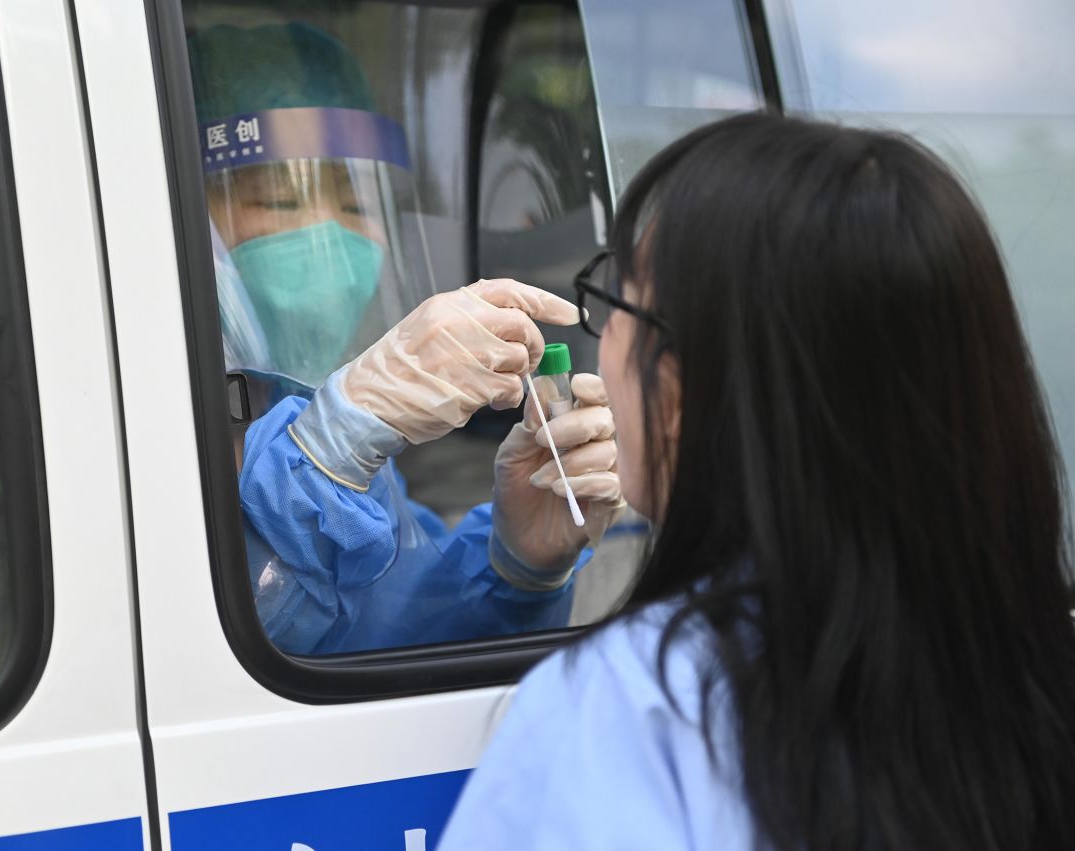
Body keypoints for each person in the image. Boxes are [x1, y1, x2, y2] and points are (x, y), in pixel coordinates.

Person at [438, 112, 1075, 849]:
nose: (598, 339)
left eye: (615, 297)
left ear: (678, 388)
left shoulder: (625, 711)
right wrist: (516, 572)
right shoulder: (1031, 678)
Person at [187, 22, 625, 654]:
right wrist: (321, 458)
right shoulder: (138, 440)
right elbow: (204, 658)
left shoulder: (362, 465)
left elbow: (398, 645)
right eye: (283, 201)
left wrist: (518, 567)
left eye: (360, 206)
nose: (329, 238)